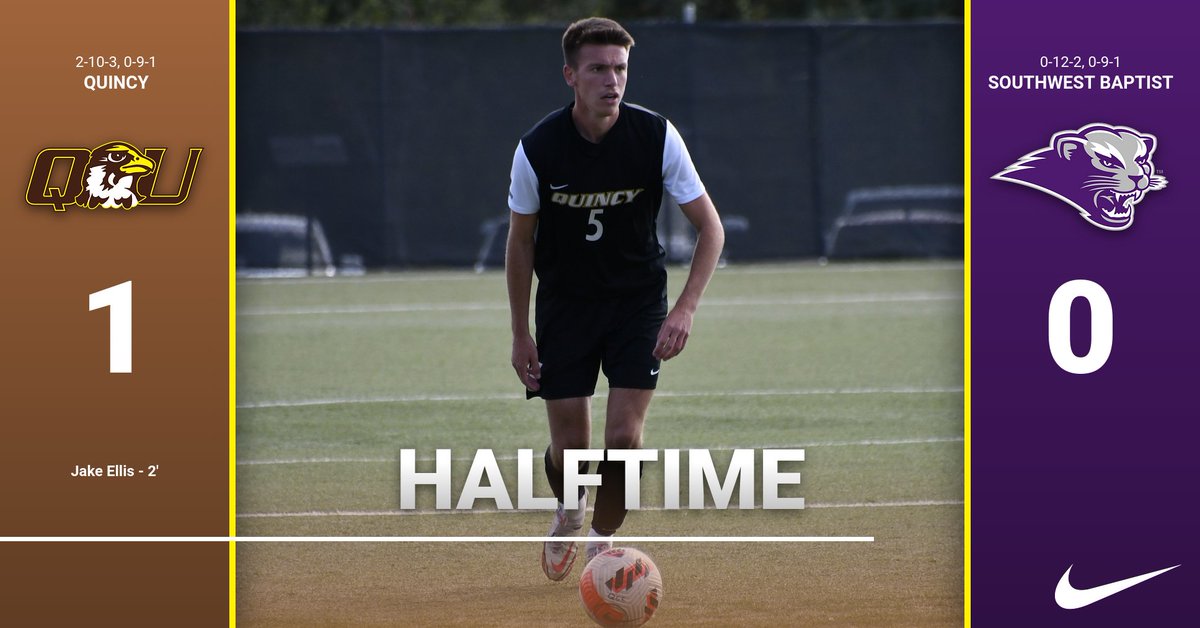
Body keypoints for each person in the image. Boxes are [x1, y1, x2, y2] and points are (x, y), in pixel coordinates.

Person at [506, 17, 725, 582]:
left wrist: (685, 308)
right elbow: (521, 242)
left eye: (620, 68)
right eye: (599, 68)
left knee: (624, 439)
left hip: (636, 302)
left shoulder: (656, 136)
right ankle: (569, 510)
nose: (612, 80)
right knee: (570, 450)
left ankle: (603, 545)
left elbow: (711, 229)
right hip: (566, 305)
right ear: (570, 76)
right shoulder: (537, 148)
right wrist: (520, 332)